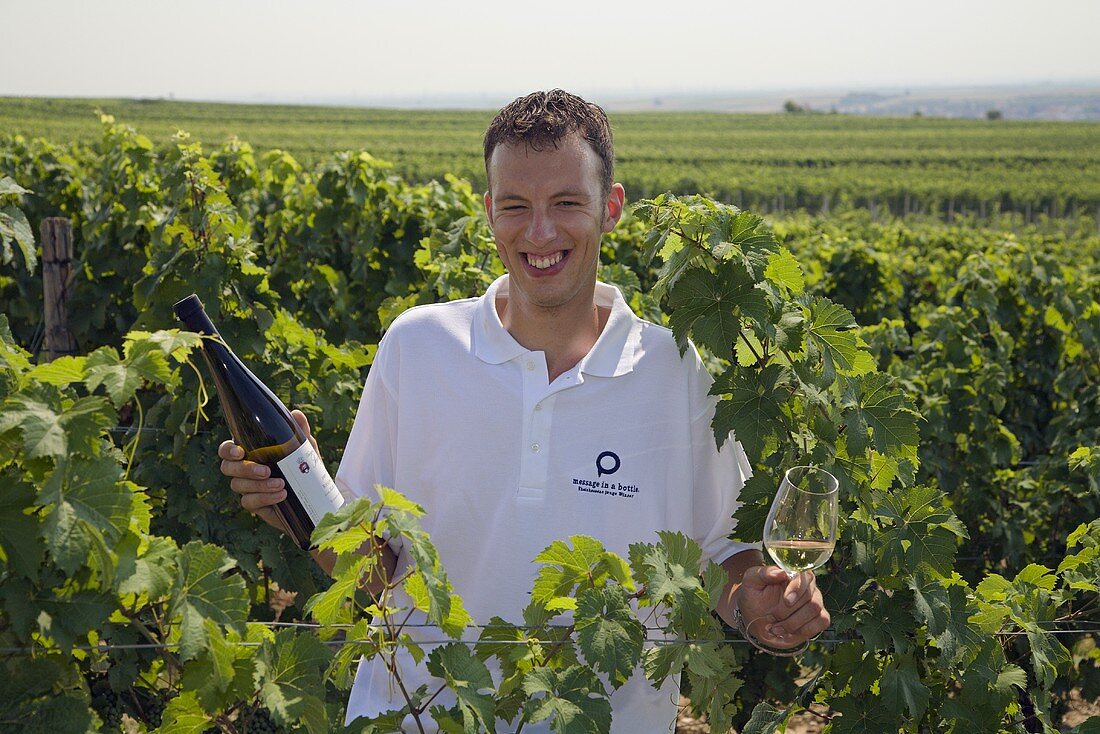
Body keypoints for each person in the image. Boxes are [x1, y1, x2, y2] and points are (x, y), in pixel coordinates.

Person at [219, 90, 830, 732]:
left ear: (610, 208)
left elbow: (724, 562)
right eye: (516, 207)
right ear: (489, 213)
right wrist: (297, 506)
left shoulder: (678, 375)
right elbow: (374, 569)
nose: (539, 233)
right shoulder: (417, 349)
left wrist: (763, 607)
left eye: (566, 203)